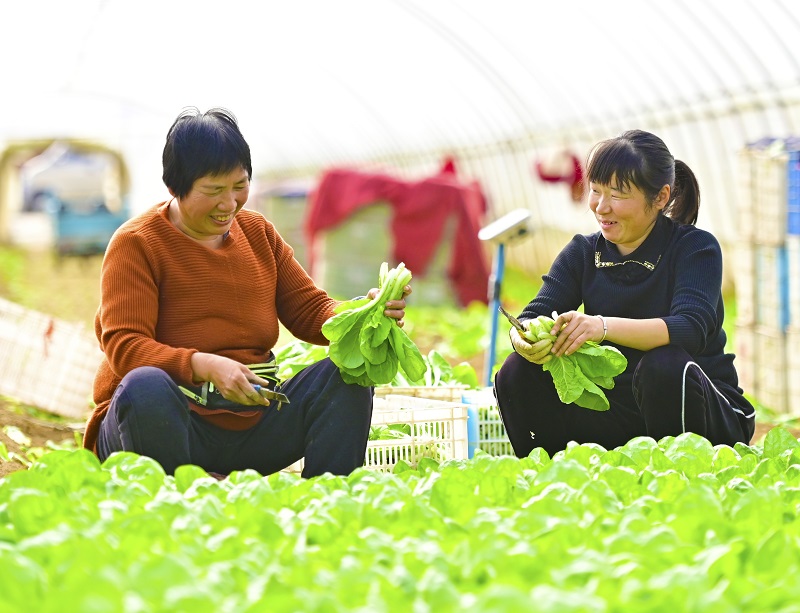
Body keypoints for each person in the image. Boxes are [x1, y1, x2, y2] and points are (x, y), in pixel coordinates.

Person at [82, 107, 410, 479]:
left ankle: (328, 500)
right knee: (145, 387)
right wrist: (203, 365)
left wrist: (360, 313)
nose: (229, 203)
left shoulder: (257, 233)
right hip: (165, 430)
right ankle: (172, 501)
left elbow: (309, 309)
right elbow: (126, 346)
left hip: (250, 424)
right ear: (175, 187)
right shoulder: (137, 244)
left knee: (349, 377)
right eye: (213, 190)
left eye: (239, 186)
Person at [494, 129, 755, 457]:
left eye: (617, 195)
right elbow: (533, 314)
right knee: (516, 371)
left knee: (663, 365)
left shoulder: (694, 248)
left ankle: (681, 475)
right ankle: (550, 472)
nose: (601, 207)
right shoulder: (583, 253)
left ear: (660, 198)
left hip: (701, 411)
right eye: (595, 191)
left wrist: (600, 327)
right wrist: (528, 337)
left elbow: (690, 329)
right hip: (617, 413)